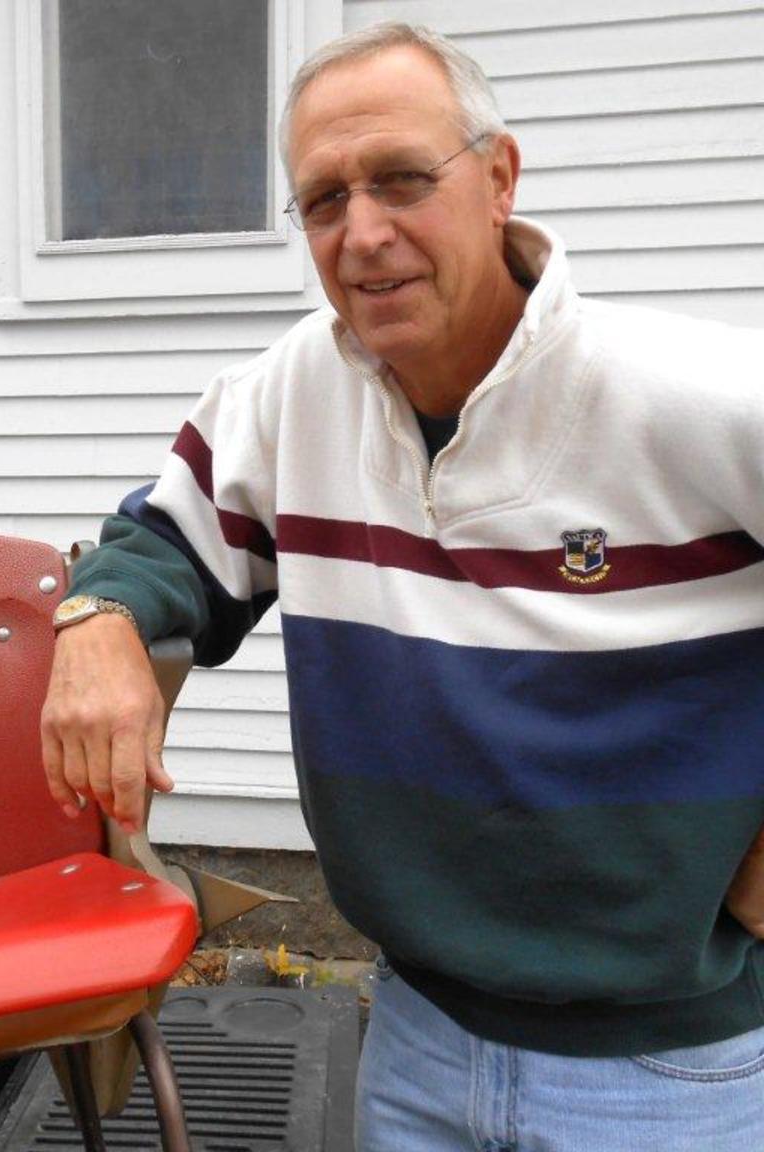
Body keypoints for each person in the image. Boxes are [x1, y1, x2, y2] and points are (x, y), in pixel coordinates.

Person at [40, 22, 764, 1151]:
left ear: (499, 179)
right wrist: (97, 618)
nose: (364, 234)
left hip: (667, 1065)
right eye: (323, 201)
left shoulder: (698, 396)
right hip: (413, 1040)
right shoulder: (291, 395)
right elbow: (164, 541)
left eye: (401, 181)